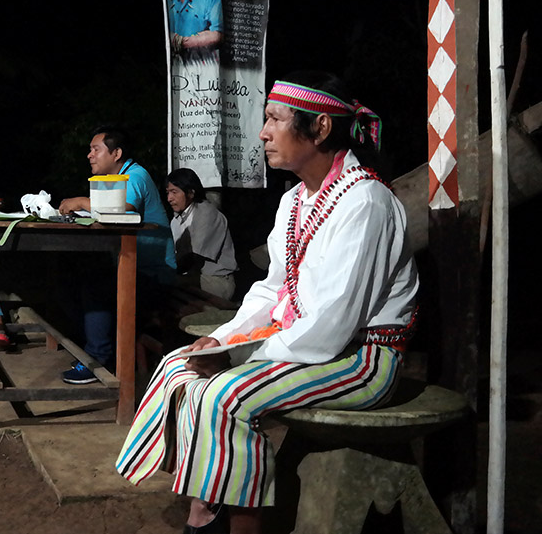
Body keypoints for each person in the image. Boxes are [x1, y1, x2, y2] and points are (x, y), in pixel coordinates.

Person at [115, 72, 418, 534]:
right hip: (311, 345)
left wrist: (234, 357)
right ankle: (208, 506)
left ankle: (237, 523)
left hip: (362, 359)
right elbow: (275, 288)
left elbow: (332, 326)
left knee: (224, 391)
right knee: (182, 366)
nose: (263, 132)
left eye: (275, 118)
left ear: (319, 128)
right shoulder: (296, 199)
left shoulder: (366, 203)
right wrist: (220, 339)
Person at [58, 126, 177, 384]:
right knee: (70, 283)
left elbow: (123, 209)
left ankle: (98, 358)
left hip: (155, 275)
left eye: (95, 149)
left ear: (117, 153)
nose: (89, 155)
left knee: (96, 289)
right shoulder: (114, 180)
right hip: (132, 268)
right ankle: (98, 352)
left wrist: (79, 201)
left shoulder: (135, 174)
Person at [166, 168, 238, 301]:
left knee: (166, 285)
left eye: (174, 192)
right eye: (168, 193)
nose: (169, 198)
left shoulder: (206, 213)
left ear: (190, 193)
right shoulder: (176, 219)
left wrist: (167, 272)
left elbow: (193, 257)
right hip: (194, 276)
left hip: (216, 280)